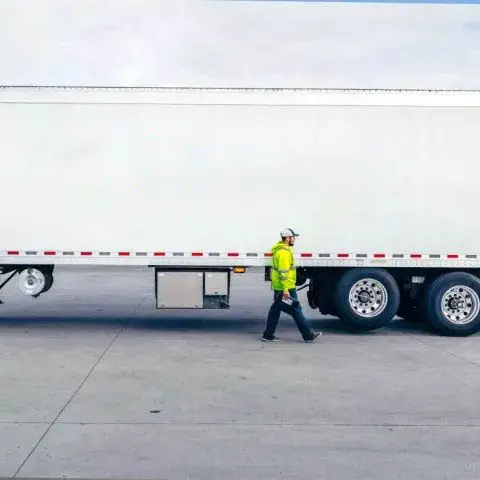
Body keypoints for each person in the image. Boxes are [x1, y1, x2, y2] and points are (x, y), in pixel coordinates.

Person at [262, 228, 321, 342]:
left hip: (282, 287)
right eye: (293, 237)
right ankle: (308, 335)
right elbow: (283, 273)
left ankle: (268, 335)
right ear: (287, 238)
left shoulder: (284, 250)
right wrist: (285, 290)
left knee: (275, 310)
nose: (294, 239)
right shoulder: (283, 253)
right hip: (286, 287)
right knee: (295, 309)